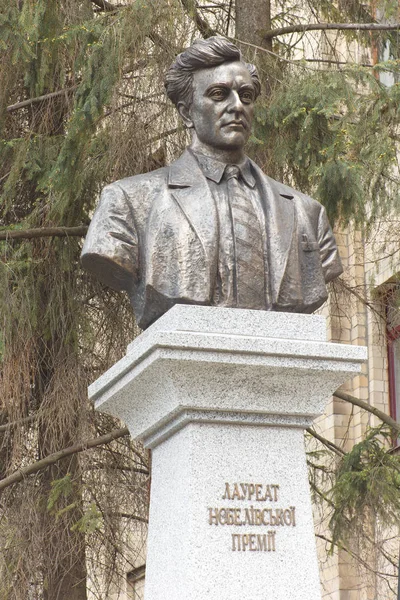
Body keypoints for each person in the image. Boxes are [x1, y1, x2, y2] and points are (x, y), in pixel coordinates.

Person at [81, 37, 342, 329]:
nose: (237, 106)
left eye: (246, 95)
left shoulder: (307, 213)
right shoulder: (129, 200)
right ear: (186, 112)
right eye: (219, 94)